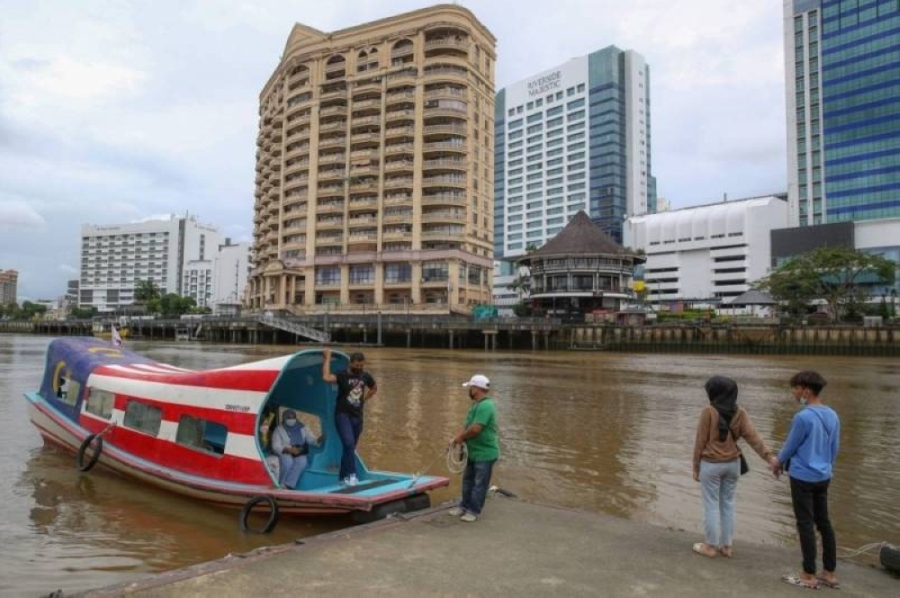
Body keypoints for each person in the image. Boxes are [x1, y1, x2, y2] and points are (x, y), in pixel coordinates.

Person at [692, 375, 778, 558]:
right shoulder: (741, 412)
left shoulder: (708, 411)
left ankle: (710, 546)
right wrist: (769, 457)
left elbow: (700, 441)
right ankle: (727, 546)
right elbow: (754, 438)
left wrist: (696, 467)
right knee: (728, 504)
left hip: (711, 464)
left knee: (711, 504)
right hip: (733, 464)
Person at [772, 371, 841, 590]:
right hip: (823, 476)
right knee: (824, 523)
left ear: (806, 391)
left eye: (796, 388)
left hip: (802, 476)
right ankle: (829, 573)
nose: (794, 393)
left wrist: (777, 462)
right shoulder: (833, 415)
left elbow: (790, 446)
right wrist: (826, 467)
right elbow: (834, 448)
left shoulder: (803, 417)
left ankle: (808, 573)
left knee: (805, 523)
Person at [449, 374, 500, 523]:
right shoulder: (475, 405)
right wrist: (456, 439)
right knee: (467, 481)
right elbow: (467, 426)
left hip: (485, 453)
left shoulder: (486, 405)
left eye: (471, 387)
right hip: (473, 452)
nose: (469, 390)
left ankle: (473, 511)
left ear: (477, 389)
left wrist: (460, 438)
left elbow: (476, 429)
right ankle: (464, 506)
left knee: (479, 484)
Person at [322, 348, 377, 486]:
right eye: (357, 365)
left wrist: (364, 399)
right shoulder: (342, 375)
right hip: (343, 415)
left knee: (350, 448)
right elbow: (326, 377)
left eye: (362, 365)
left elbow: (374, 388)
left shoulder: (365, 376)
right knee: (348, 443)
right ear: (350, 363)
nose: (359, 368)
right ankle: (352, 475)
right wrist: (327, 358)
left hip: (357, 417)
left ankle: (342, 477)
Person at [271, 409, 318, 490]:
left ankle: (289, 485)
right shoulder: (279, 429)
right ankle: (280, 483)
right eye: (288, 418)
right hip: (285, 451)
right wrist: (288, 449)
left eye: (293, 418)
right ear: (284, 419)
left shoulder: (302, 427)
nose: (291, 420)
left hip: (298, 451)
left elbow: (310, 439)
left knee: (302, 462)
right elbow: (275, 445)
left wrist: (318, 440)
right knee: (288, 462)